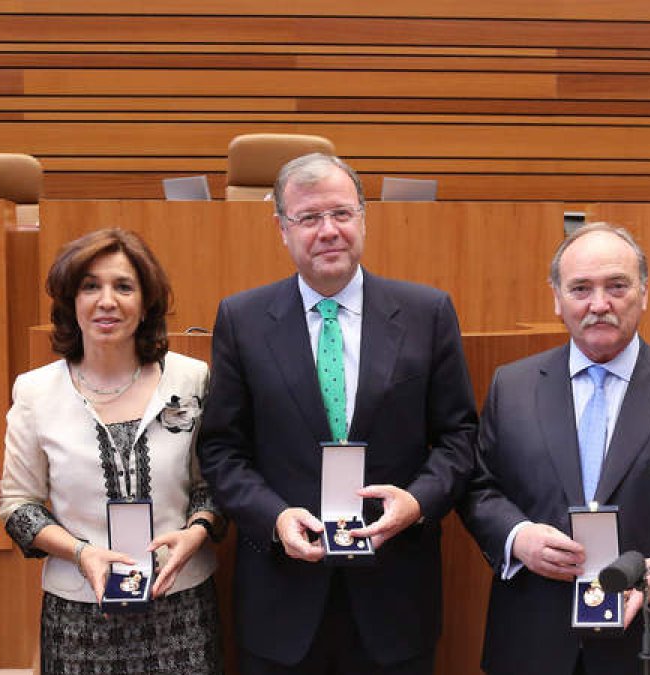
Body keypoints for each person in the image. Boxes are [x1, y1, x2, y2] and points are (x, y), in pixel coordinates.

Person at [197, 153, 477, 674]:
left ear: (363, 219)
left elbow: (460, 437)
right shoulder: (242, 320)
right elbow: (221, 449)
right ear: (282, 228)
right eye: (309, 218)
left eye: (342, 214)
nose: (329, 231)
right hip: (282, 601)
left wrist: (417, 502)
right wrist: (275, 517)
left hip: (395, 598)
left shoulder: (426, 313)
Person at [458, 223, 650, 675]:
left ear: (644, 292)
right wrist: (519, 539)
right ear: (556, 298)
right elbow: (479, 488)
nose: (600, 304)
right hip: (533, 639)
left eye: (617, 286)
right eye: (581, 289)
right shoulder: (511, 387)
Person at [0, 228, 224, 675]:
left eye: (123, 286)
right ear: (71, 302)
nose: (107, 301)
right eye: (90, 286)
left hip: (179, 603)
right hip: (81, 612)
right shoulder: (36, 391)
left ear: (146, 304)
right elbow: (17, 506)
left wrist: (195, 533)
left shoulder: (192, 379)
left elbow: (214, 483)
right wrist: (84, 554)